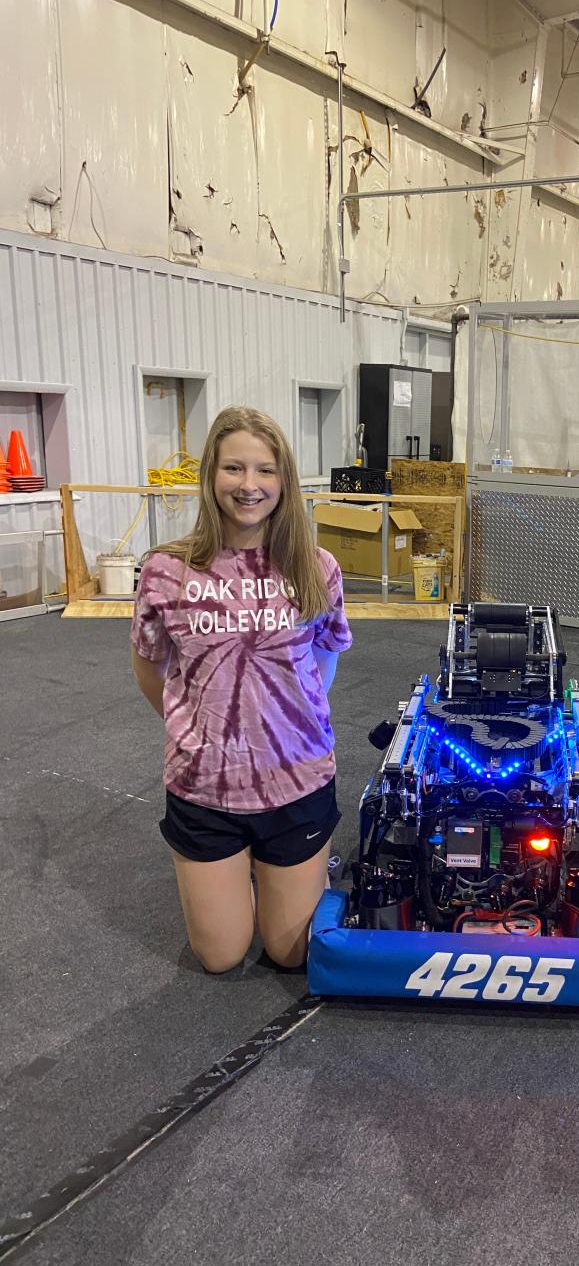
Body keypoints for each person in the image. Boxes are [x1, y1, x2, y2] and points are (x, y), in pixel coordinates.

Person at [131, 406, 352, 973]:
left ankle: (277, 872)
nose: (249, 485)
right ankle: (236, 874)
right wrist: (197, 728)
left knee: (292, 953)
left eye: (265, 470)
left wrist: (290, 719)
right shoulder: (166, 570)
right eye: (234, 468)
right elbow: (150, 666)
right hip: (205, 789)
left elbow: (323, 657)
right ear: (210, 475)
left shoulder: (315, 566)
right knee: (222, 957)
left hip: (296, 781)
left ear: (284, 480)